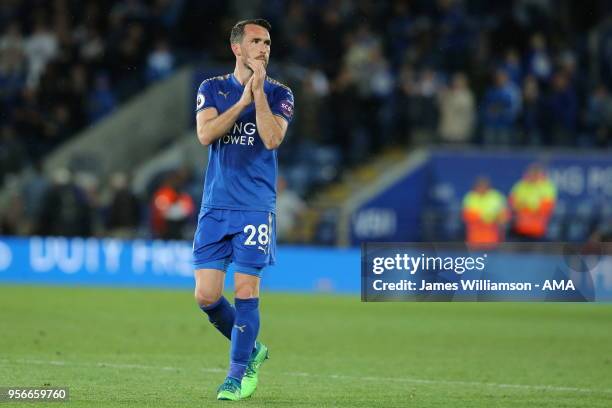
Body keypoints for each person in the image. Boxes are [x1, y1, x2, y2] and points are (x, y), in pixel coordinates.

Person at [192, 19, 294, 401]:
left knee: (247, 289)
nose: (263, 48)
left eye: (267, 42)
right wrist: (242, 103)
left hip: (254, 207)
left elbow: (271, 138)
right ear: (237, 47)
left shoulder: (281, 93)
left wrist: (260, 95)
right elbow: (205, 135)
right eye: (255, 41)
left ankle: (236, 376)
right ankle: (253, 348)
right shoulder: (212, 88)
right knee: (206, 296)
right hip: (215, 205)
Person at [509, 164, 557, 240]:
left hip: (537, 229)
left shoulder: (547, 187)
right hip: (520, 228)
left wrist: (526, 205)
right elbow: (513, 203)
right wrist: (531, 205)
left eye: (535, 173)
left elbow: (546, 207)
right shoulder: (520, 185)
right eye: (531, 173)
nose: (532, 176)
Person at [462, 177, 509, 246]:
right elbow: (467, 215)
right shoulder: (470, 197)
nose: (481, 188)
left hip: (493, 239)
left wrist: (493, 218)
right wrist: (485, 217)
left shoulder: (496, 196)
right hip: (475, 239)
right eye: (479, 186)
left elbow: (504, 216)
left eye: (483, 186)